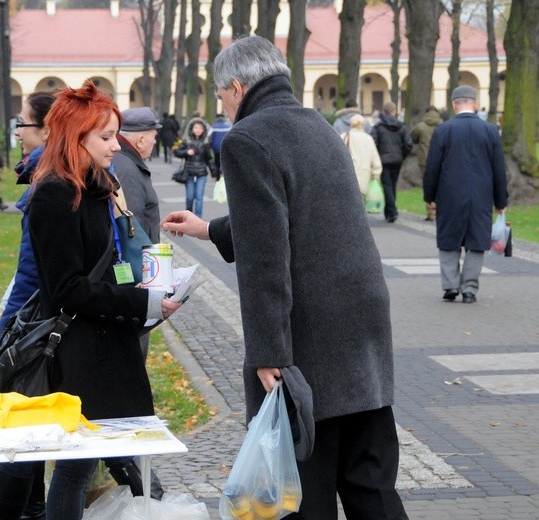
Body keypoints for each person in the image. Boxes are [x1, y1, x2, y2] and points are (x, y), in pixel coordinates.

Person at [161, 35, 407, 520]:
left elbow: (266, 261)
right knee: (370, 486)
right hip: (363, 329)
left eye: (219, 94)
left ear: (236, 87)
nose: (222, 105)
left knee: (301, 492)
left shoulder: (248, 139)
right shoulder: (316, 125)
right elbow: (302, 219)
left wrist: (268, 351)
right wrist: (209, 228)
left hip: (311, 341)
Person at [28, 79, 181, 520]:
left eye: (115, 134)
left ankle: (154, 503)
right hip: (81, 355)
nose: (117, 145)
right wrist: (139, 302)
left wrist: (143, 294)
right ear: (76, 139)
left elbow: (109, 263)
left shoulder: (95, 186)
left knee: (103, 459)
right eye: (107, 137)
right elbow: (67, 289)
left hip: (107, 346)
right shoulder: (56, 194)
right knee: (79, 466)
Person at [0, 91, 55, 520]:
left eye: (22, 125)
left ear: (46, 130)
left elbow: (31, 275)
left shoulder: (46, 181)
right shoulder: (45, 175)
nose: (17, 134)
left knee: (22, 434)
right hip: (47, 325)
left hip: (37, 329)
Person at [423, 85, 508, 304]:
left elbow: (432, 167)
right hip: (481, 194)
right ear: (475, 103)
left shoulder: (443, 130)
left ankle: (450, 285)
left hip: (449, 193)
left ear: (453, 105)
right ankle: (469, 288)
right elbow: (499, 169)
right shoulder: (490, 131)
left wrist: (429, 195)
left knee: (449, 238)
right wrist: (501, 200)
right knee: (477, 239)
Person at [112, 106, 162, 360]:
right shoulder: (127, 169)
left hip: (139, 274)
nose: (155, 142)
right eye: (153, 136)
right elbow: (131, 227)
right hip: (137, 275)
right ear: (141, 138)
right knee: (133, 348)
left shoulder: (125, 162)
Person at [371, 101, 412, 223]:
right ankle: (390, 211)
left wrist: (377, 156)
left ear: (384, 111)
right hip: (397, 160)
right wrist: (401, 155)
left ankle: (391, 211)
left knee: (387, 185)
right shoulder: (402, 127)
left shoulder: (378, 127)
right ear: (394, 111)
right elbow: (408, 144)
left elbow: (373, 143)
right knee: (392, 184)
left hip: (383, 159)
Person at [174, 116, 219, 218]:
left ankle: (197, 217)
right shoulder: (187, 141)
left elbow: (209, 159)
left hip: (202, 174)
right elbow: (176, 152)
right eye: (195, 128)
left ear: (204, 130)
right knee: (190, 197)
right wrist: (186, 152)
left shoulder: (205, 143)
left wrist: (214, 172)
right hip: (189, 173)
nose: (198, 130)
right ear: (191, 129)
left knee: (199, 197)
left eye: (200, 128)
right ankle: (188, 216)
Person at [410, 106, 442, 221]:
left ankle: (430, 212)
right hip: (441, 160)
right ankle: (439, 210)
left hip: (425, 161)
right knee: (440, 185)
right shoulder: (443, 126)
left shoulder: (421, 126)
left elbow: (412, 138)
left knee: (428, 185)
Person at [342, 113, 382, 199]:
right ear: (363, 125)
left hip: (348, 175)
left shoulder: (345, 136)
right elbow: (375, 159)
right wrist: (376, 174)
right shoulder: (368, 139)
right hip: (365, 175)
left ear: (351, 124)